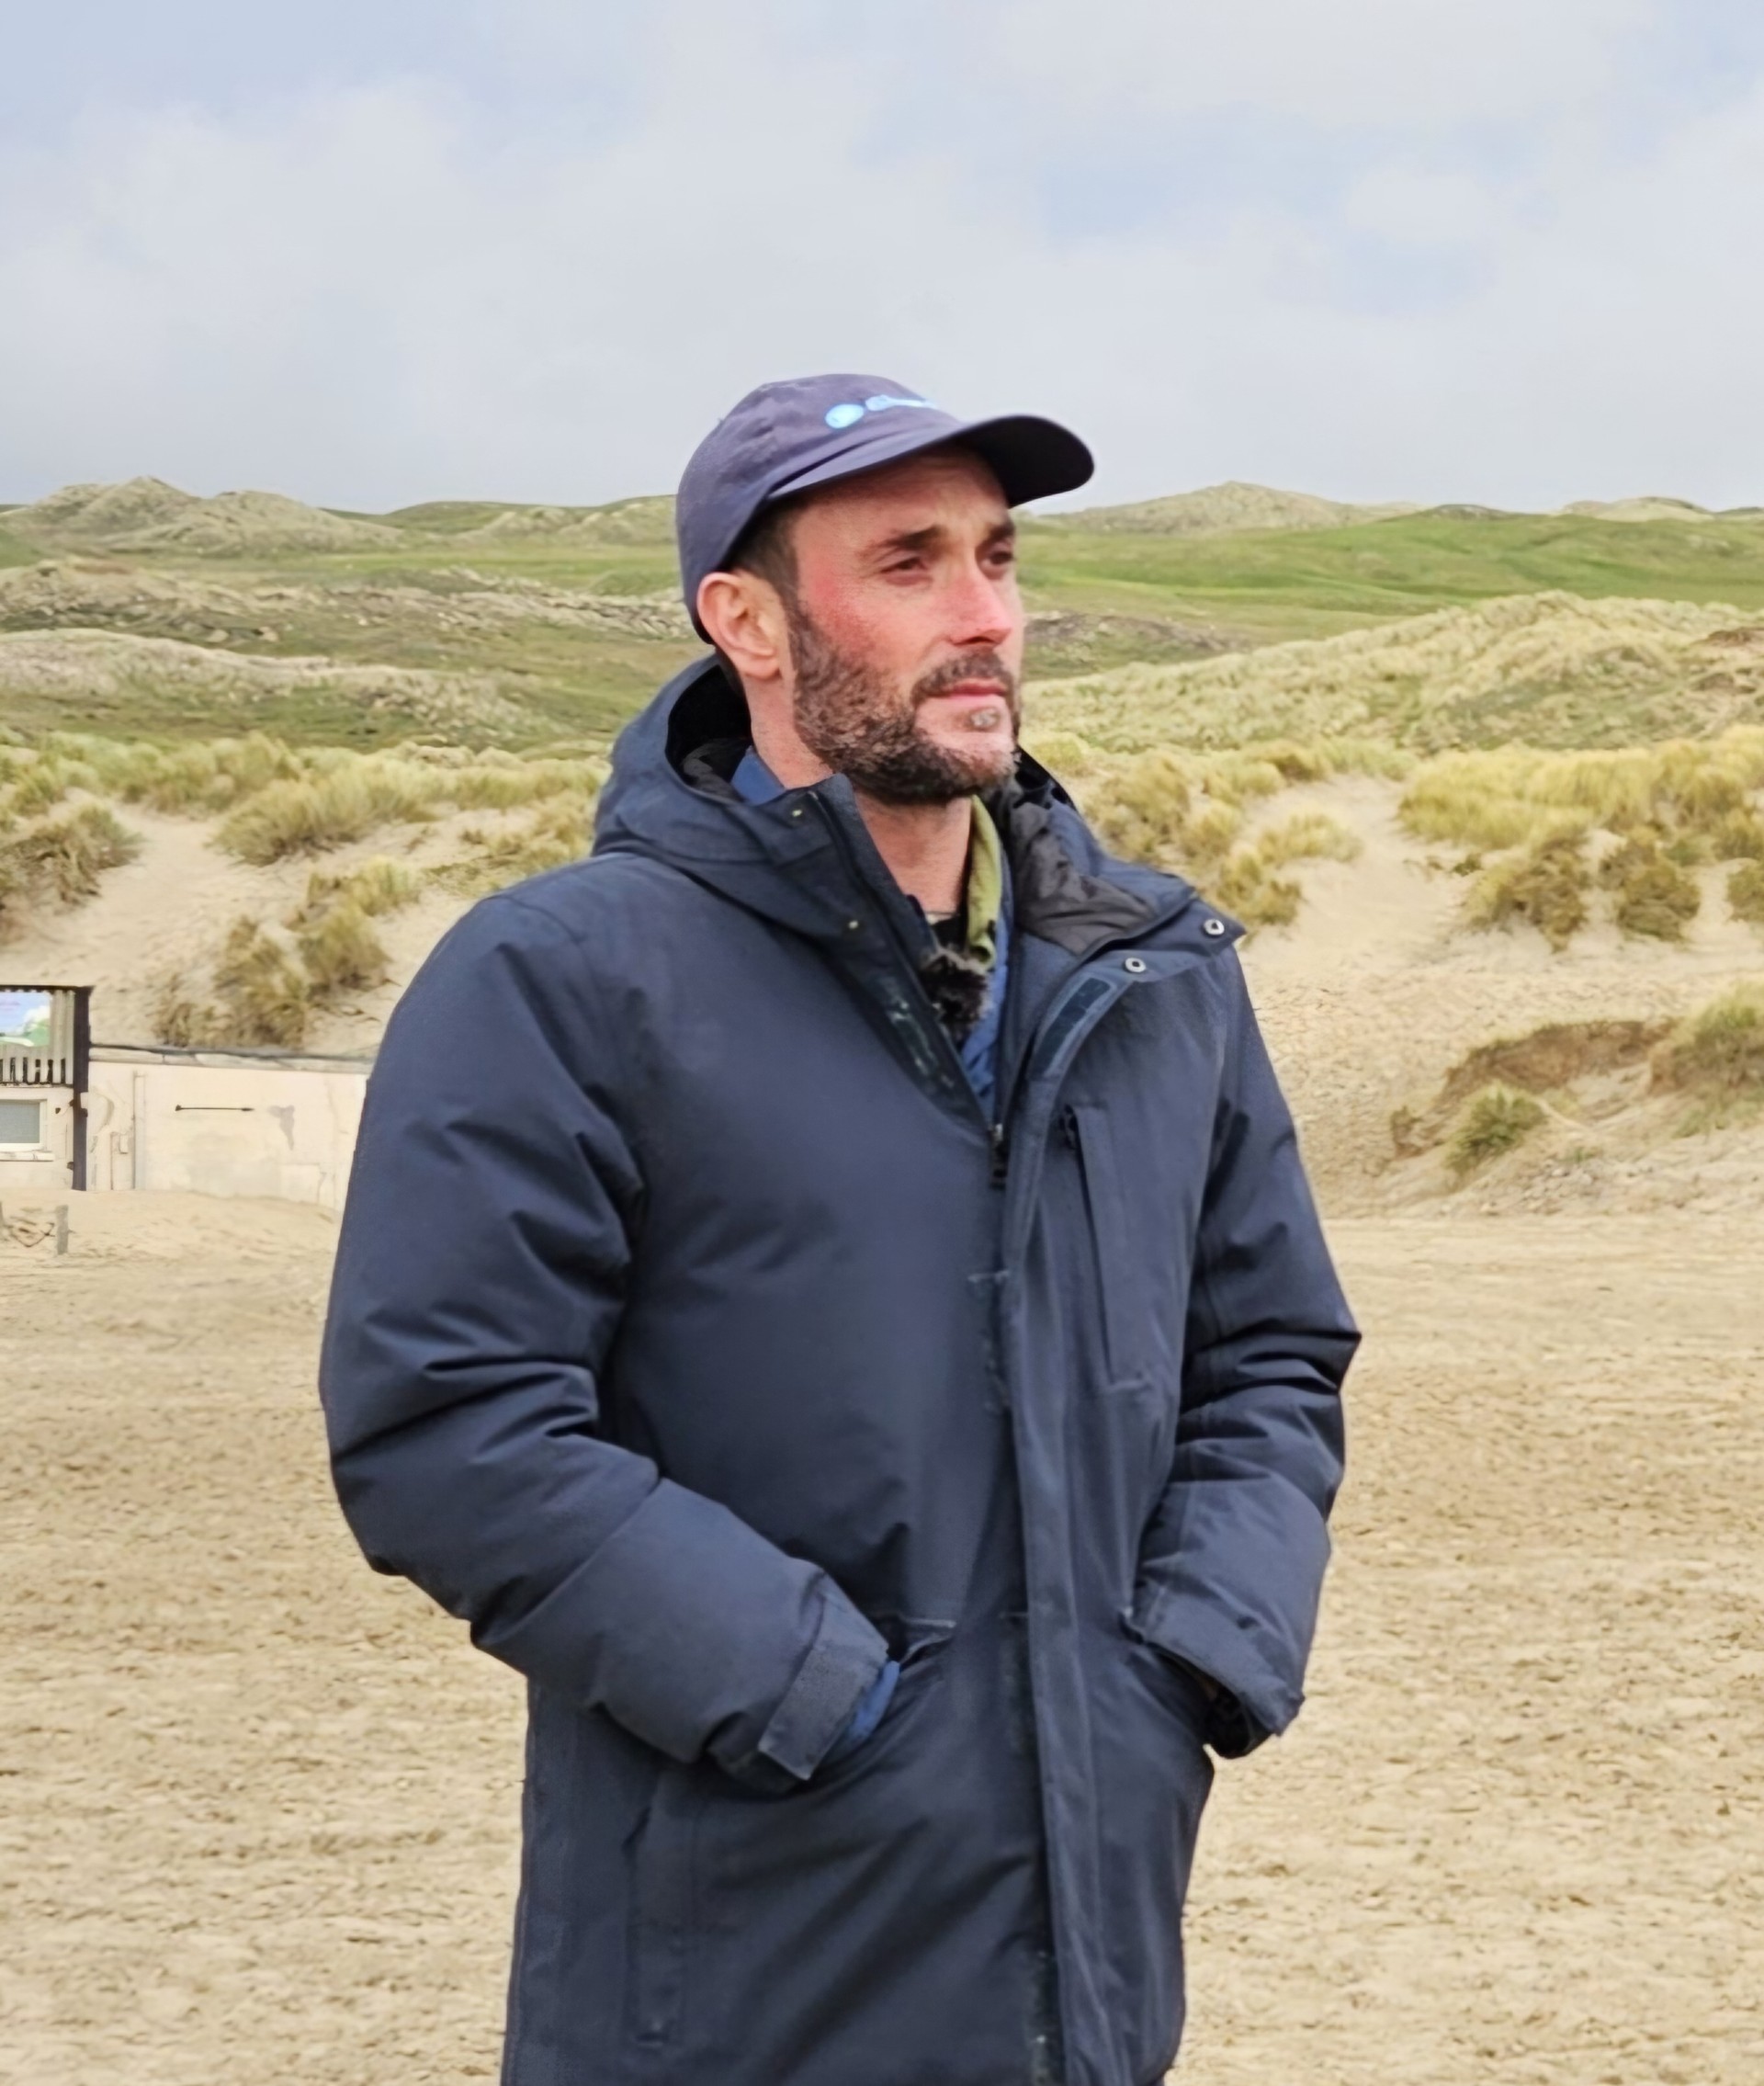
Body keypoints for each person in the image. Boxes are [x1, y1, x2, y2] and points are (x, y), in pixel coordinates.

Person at [319, 374, 1358, 2086]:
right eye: (908, 563)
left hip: (1095, 1958)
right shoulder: (563, 978)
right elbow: (451, 1424)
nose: (985, 616)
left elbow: (1272, 1351)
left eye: (1000, 557)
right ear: (747, 619)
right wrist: (825, 1696)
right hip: (739, 1957)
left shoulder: (1155, 977)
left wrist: (1186, 1658)